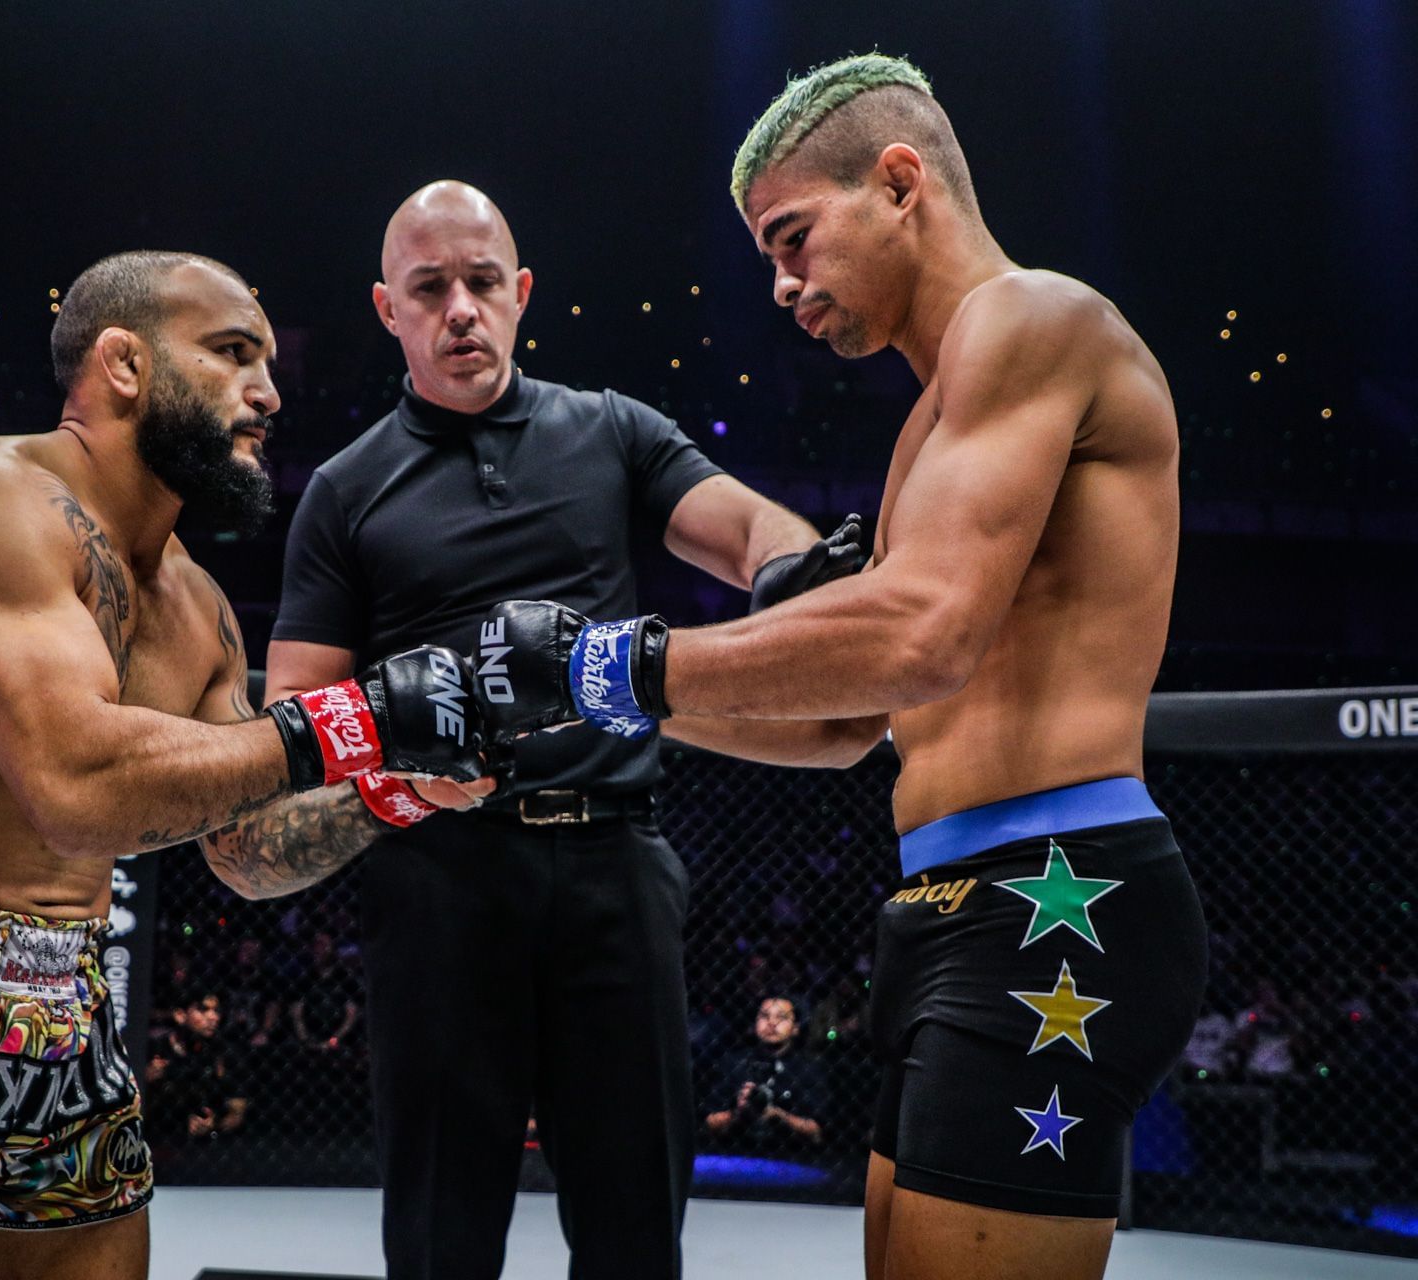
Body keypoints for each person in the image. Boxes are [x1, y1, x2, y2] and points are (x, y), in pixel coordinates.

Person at [476, 55, 1209, 1280]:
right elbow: (846, 723)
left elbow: (923, 633)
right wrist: (576, 716)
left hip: (1057, 891)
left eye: (794, 237)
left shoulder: (1035, 319)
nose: (782, 284)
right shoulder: (930, 418)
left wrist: (612, 662)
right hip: (952, 898)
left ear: (900, 181)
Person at [0, 250, 493, 1280]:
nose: (271, 391)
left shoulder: (199, 604)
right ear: (124, 362)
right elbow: (76, 786)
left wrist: (395, 784)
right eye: (233, 353)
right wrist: (359, 718)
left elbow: (247, 851)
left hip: (65, 1017)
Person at [265, 179, 882, 1280]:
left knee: (636, 1224)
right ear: (387, 309)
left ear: (523, 292)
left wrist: (792, 569)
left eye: (483, 282)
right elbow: (293, 728)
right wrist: (397, 763)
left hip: (615, 864)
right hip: (440, 875)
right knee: (442, 1231)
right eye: (430, 287)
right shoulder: (348, 489)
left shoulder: (609, 429)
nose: (461, 307)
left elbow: (748, 528)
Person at [703, 996, 827, 1157]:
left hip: (792, 1158)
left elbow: (816, 1132)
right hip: (733, 1155)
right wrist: (739, 1112)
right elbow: (709, 1123)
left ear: (796, 1028)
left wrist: (776, 1114)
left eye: (781, 1017)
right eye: (764, 1016)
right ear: (755, 1024)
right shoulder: (732, 1062)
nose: (772, 1023)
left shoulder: (809, 1068)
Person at [144, 987, 248, 1147]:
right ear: (180, 1015)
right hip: (153, 1138)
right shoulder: (154, 1050)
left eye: (216, 1011)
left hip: (206, 1146)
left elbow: (238, 1110)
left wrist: (213, 1123)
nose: (213, 1017)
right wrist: (145, 1079)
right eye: (203, 1009)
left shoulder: (224, 1054)